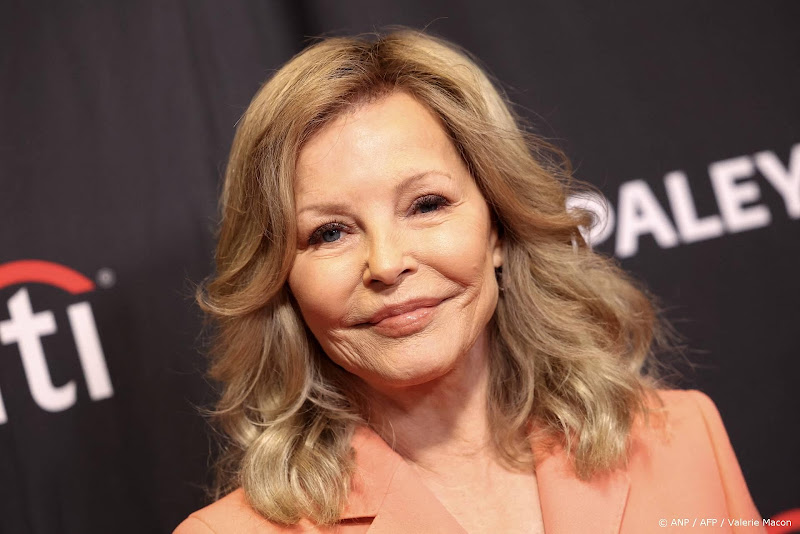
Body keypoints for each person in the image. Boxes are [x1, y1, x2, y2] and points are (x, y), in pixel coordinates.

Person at [174, 29, 765, 533]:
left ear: (498, 227)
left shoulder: (685, 437)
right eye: (329, 233)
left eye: (426, 204)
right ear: (281, 281)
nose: (387, 263)